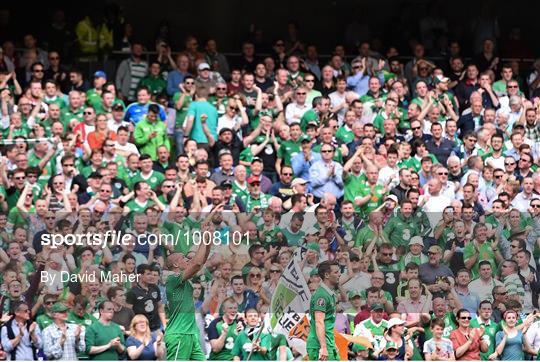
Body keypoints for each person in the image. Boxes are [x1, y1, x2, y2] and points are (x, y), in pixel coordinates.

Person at [164, 212, 214, 360]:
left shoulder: (183, 279)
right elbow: (196, 263)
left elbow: (201, 261)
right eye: (183, 258)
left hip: (191, 334)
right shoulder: (172, 279)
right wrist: (202, 238)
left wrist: (206, 239)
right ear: (175, 264)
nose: (187, 260)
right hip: (179, 334)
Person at [306, 260, 341, 361]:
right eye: (336, 272)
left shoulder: (329, 293)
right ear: (326, 275)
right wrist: (324, 347)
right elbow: (319, 322)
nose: (339, 274)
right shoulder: (321, 295)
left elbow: (328, 322)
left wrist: (332, 344)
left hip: (328, 343)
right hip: (319, 345)